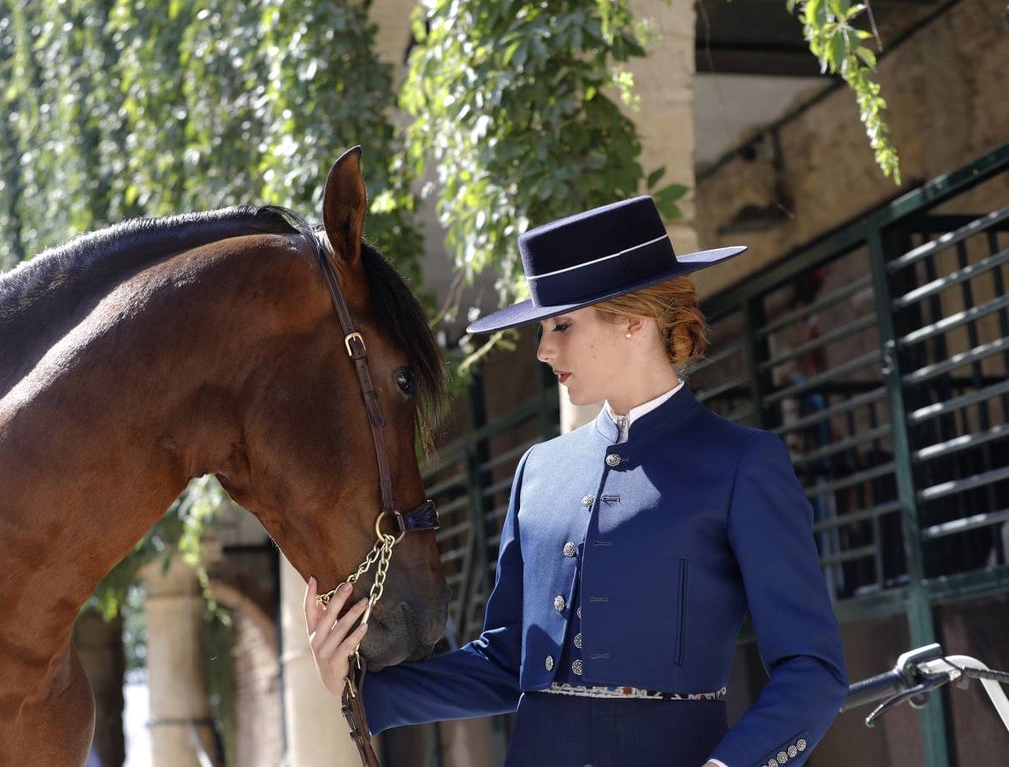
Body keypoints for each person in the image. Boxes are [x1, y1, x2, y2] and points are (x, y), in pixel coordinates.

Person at [304, 195, 848, 767]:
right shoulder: (538, 471)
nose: (543, 350)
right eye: (542, 329)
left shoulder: (743, 463)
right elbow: (508, 660)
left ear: (635, 322)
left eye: (562, 325)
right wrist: (357, 686)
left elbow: (813, 671)